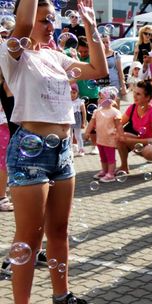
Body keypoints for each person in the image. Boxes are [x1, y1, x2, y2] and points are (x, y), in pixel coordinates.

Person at [0, 0, 108, 303]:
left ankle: (62, 296)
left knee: (58, 232)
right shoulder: (13, 55)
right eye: (44, 20)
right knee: (29, 239)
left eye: (54, 20)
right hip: (30, 154)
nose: (52, 26)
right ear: (29, 19)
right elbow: (21, 26)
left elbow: (98, 69)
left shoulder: (55, 57)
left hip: (62, 152)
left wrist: (91, 26)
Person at [117, 80, 152, 176]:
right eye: (134, 93)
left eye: (138, 94)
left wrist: (129, 140)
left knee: (150, 151)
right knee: (119, 138)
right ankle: (124, 166)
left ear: (147, 97)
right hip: (143, 142)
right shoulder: (132, 108)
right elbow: (119, 123)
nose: (134, 96)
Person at [84, 89, 122, 182]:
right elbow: (91, 123)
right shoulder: (97, 111)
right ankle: (104, 171)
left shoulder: (115, 112)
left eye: (101, 98)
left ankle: (111, 174)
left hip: (110, 139)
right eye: (99, 97)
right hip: (100, 139)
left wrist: (120, 136)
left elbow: (119, 125)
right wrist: (87, 132)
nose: (98, 100)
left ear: (109, 99)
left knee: (110, 157)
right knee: (103, 157)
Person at [101, 35, 126, 103]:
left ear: (110, 42)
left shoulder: (115, 54)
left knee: (115, 104)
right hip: (102, 83)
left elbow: (120, 71)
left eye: (107, 42)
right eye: (103, 42)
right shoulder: (98, 55)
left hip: (114, 83)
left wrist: (123, 86)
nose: (105, 44)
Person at [70, 83, 86, 157]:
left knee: (78, 136)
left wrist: (84, 122)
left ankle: (81, 149)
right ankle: (69, 150)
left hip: (77, 119)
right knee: (69, 136)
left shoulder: (80, 101)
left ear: (77, 93)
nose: (72, 94)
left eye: (74, 93)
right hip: (69, 119)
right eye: (70, 92)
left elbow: (83, 112)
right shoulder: (67, 101)